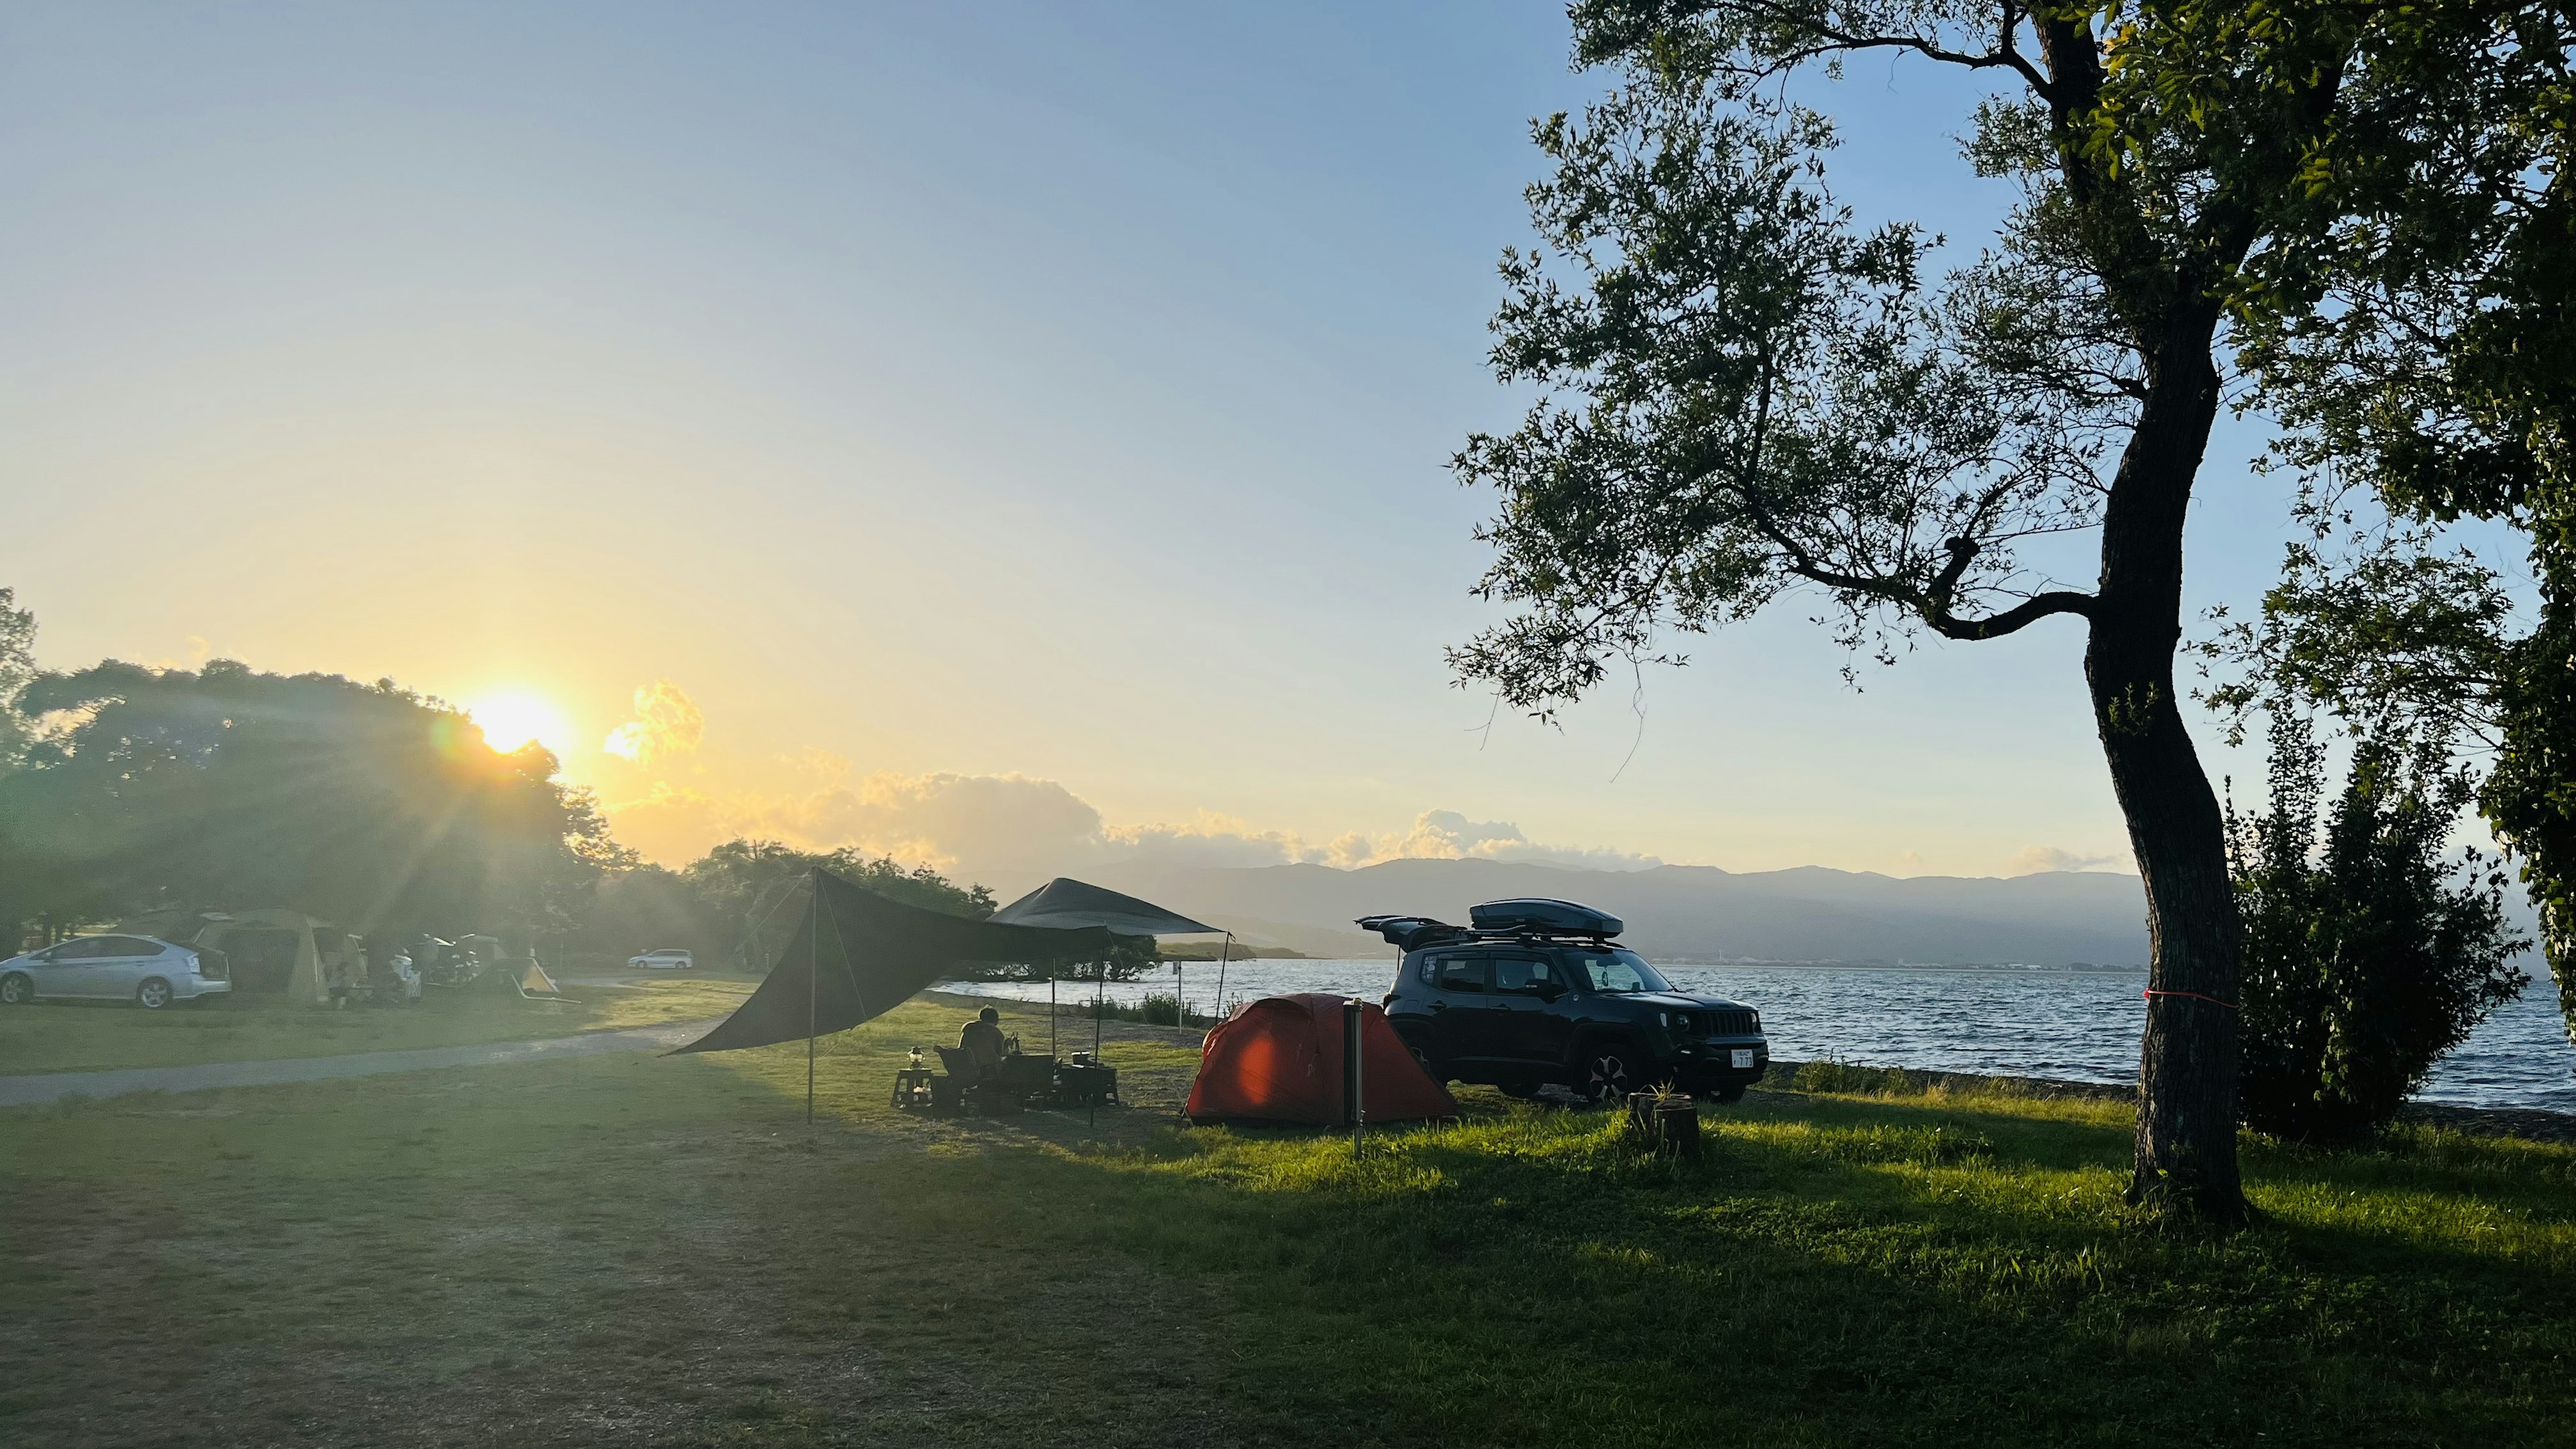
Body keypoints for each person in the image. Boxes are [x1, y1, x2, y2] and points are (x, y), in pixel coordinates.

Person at [959, 1006, 1007, 1079]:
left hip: (965, 1066)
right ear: (995, 1020)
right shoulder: (995, 1031)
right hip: (986, 1070)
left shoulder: (968, 1027)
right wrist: (1007, 1046)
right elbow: (1001, 1053)